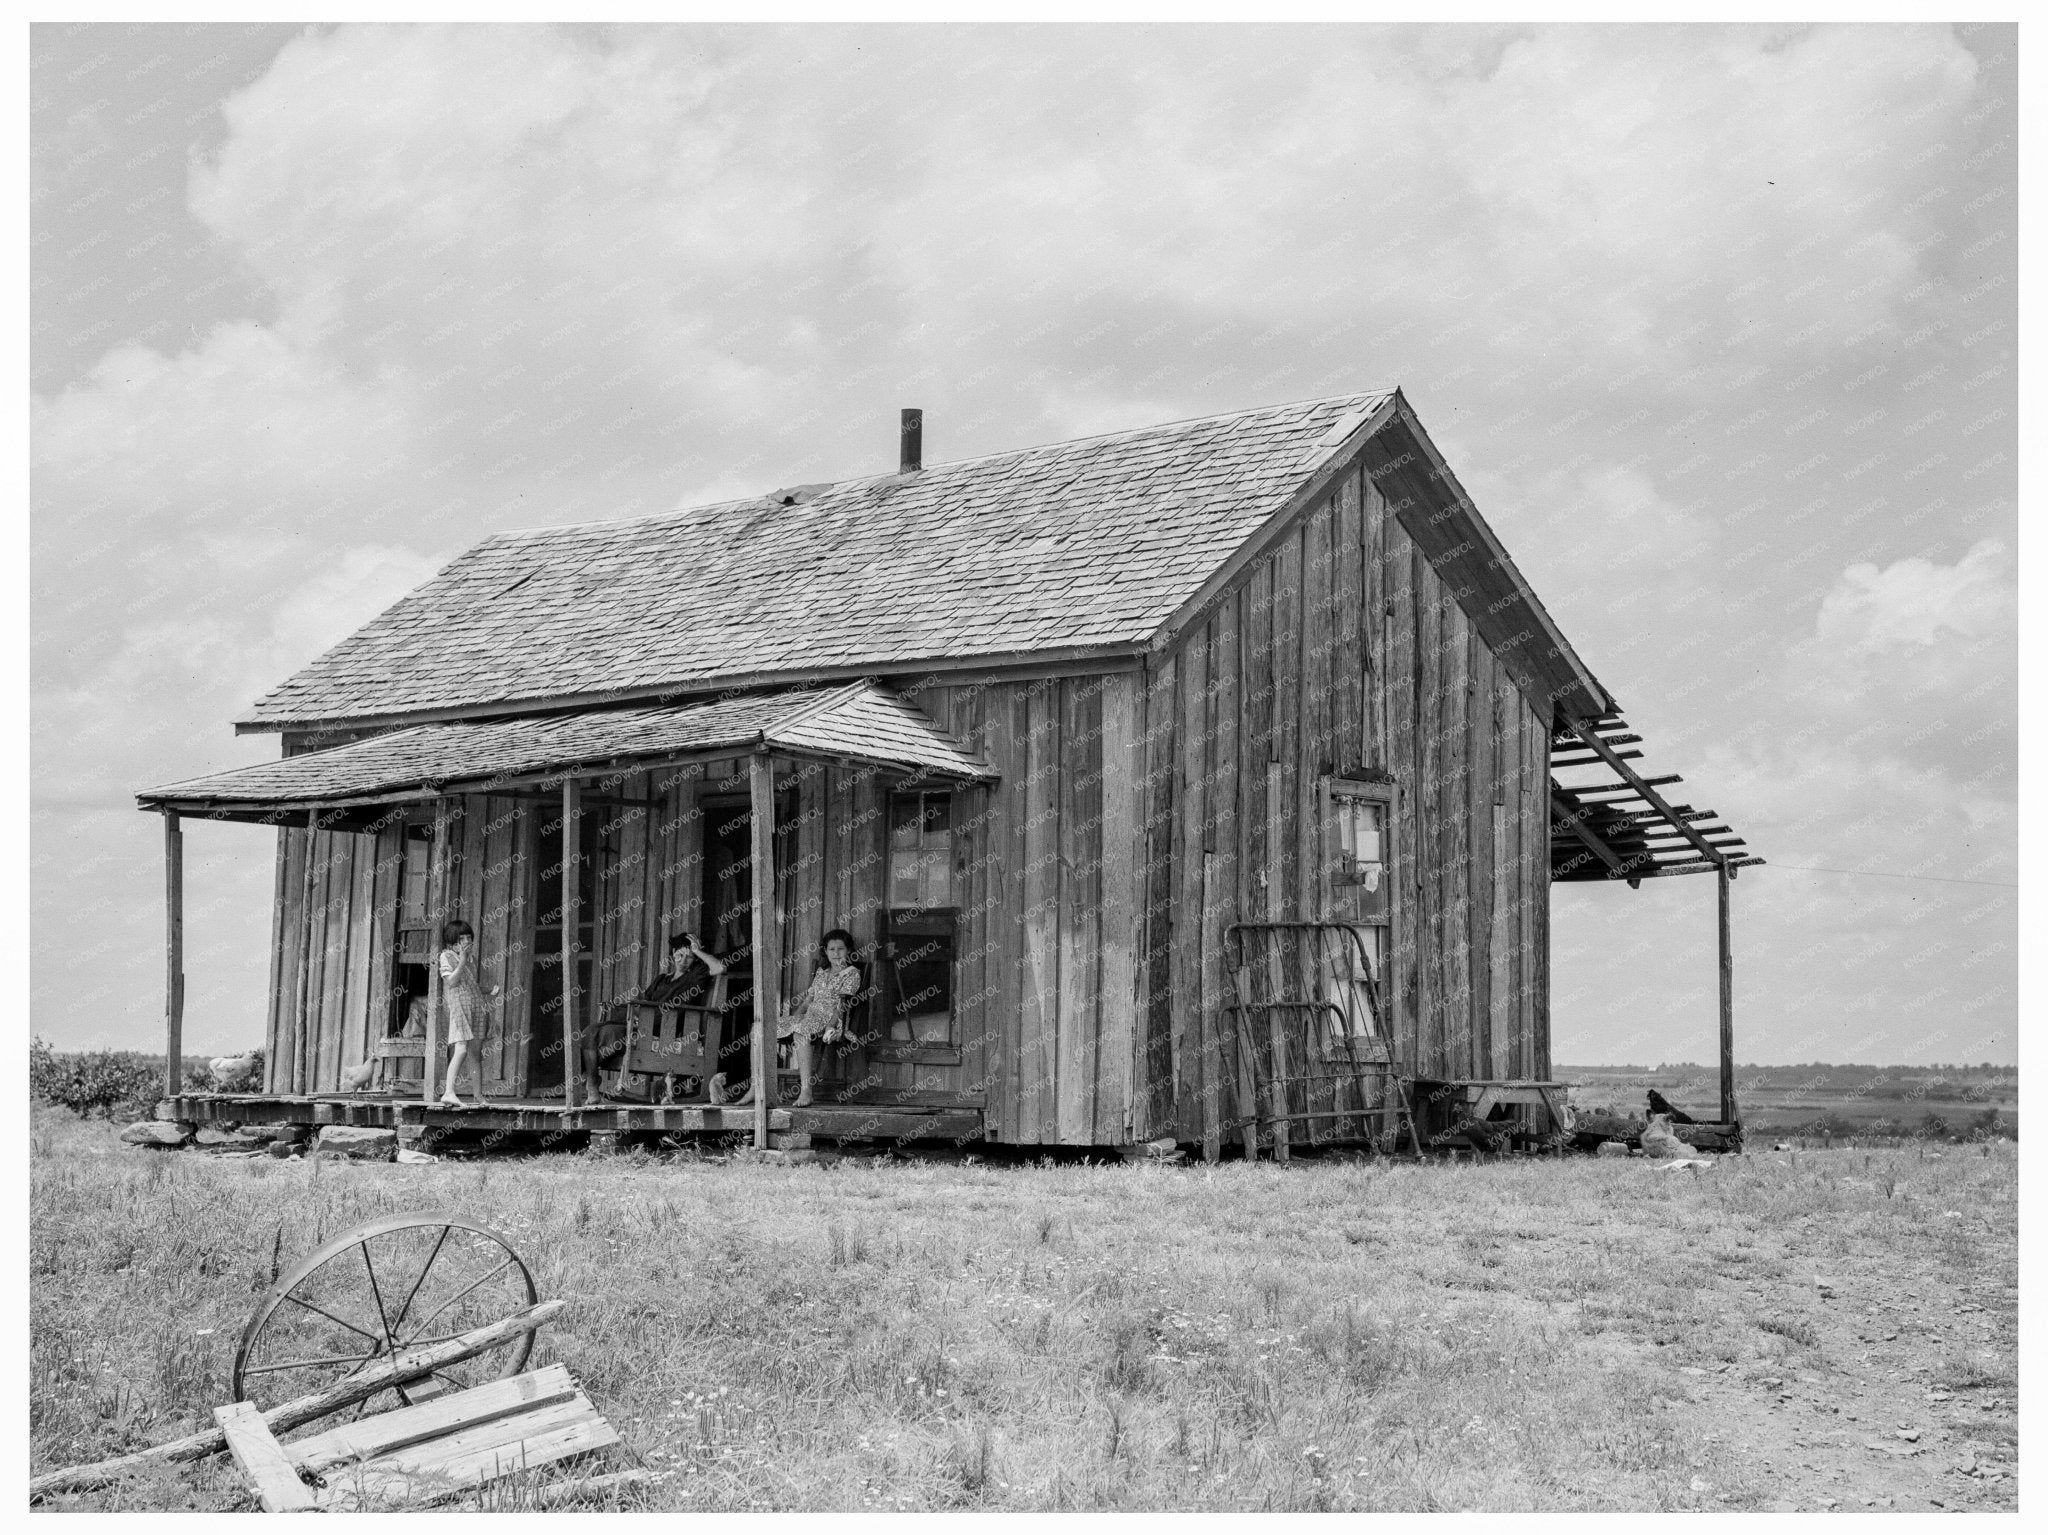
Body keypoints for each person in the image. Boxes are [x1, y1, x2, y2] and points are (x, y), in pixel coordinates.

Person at [582, 931, 727, 1101]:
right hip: (643, 1023)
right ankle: (592, 1081)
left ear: (694, 959)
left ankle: (590, 1081)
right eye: (679, 955)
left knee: (608, 1033)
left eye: (689, 957)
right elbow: (644, 1001)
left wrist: (696, 951)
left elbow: (720, 968)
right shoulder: (661, 979)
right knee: (591, 1030)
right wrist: (635, 1013)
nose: (683, 960)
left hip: (663, 1028)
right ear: (673, 954)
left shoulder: (695, 976)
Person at [779, 928, 862, 1108]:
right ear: (825, 951)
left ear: (848, 950)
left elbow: (842, 1005)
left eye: (840, 949)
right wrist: (794, 1019)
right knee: (760, 1028)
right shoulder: (821, 972)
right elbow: (808, 1001)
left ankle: (806, 1091)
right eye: (831, 949)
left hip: (832, 1019)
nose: (836, 953)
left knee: (800, 1031)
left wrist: (830, 1026)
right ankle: (756, 1086)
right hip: (810, 1017)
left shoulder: (852, 973)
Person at [436, 920, 499, 1108]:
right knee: (461, 1049)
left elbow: (471, 986)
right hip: (460, 1008)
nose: (466, 941)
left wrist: (490, 990)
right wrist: (462, 959)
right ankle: (448, 1092)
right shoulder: (446, 956)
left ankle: (478, 1096)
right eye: (461, 938)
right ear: (452, 942)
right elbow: (452, 982)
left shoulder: (471, 959)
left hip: (476, 1006)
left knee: (476, 1054)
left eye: (468, 937)